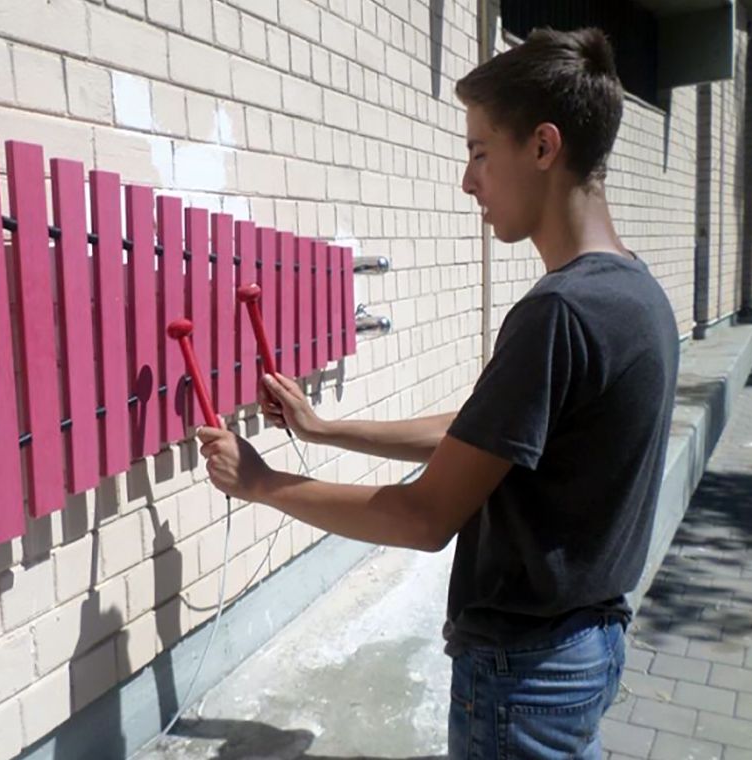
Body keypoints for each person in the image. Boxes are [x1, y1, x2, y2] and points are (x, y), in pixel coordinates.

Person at [196, 26, 679, 760]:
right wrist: (327, 428)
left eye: (480, 151)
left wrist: (263, 482)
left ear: (543, 147)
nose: (467, 180)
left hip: (524, 678)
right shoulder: (634, 291)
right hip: (586, 649)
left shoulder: (560, 313)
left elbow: (423, 516)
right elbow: (488, 431)